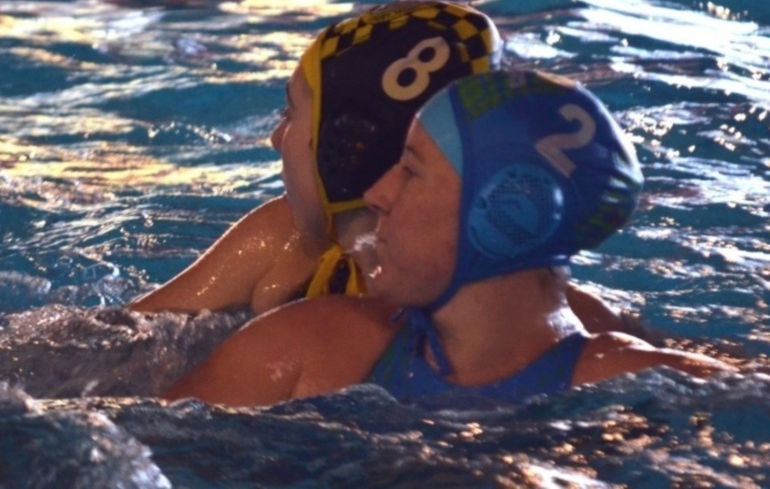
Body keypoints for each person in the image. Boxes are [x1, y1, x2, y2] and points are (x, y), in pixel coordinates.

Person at [163, 70, 734, 407]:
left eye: (410, 169)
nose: (379, 193)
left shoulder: (637, 392)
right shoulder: (304, 348)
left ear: (507, 213)